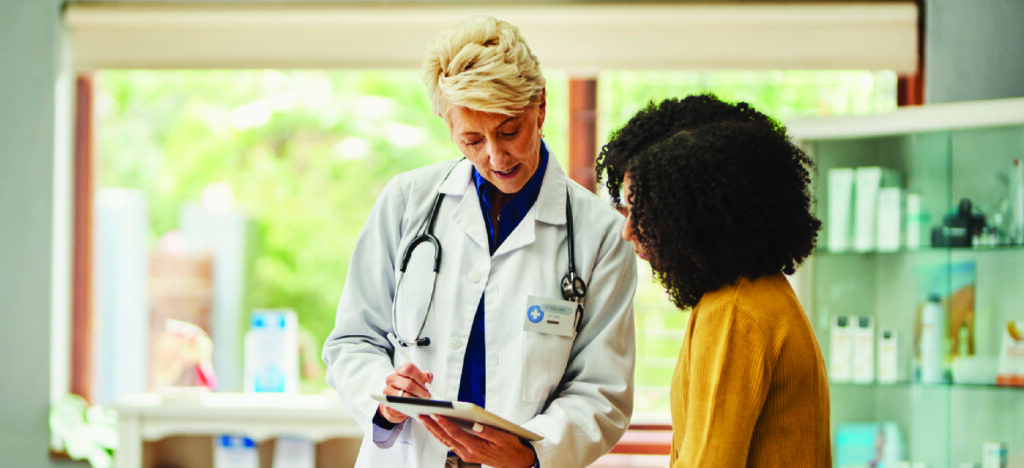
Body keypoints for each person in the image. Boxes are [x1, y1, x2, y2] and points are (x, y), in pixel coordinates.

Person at [322, 16, 637, 468]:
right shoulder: (406, 202)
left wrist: (533, 452)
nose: (495, 155)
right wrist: (385, 395)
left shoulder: (600, 233)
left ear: (541, 106)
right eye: (471, 139)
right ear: (448, 126)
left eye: (509, 130)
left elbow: (601, 391)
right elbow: (352, 340)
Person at [596, 94, 831, 467]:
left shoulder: (733, 314)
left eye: (642, 211)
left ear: (691, 214)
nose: (628, 231)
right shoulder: (764, 294)